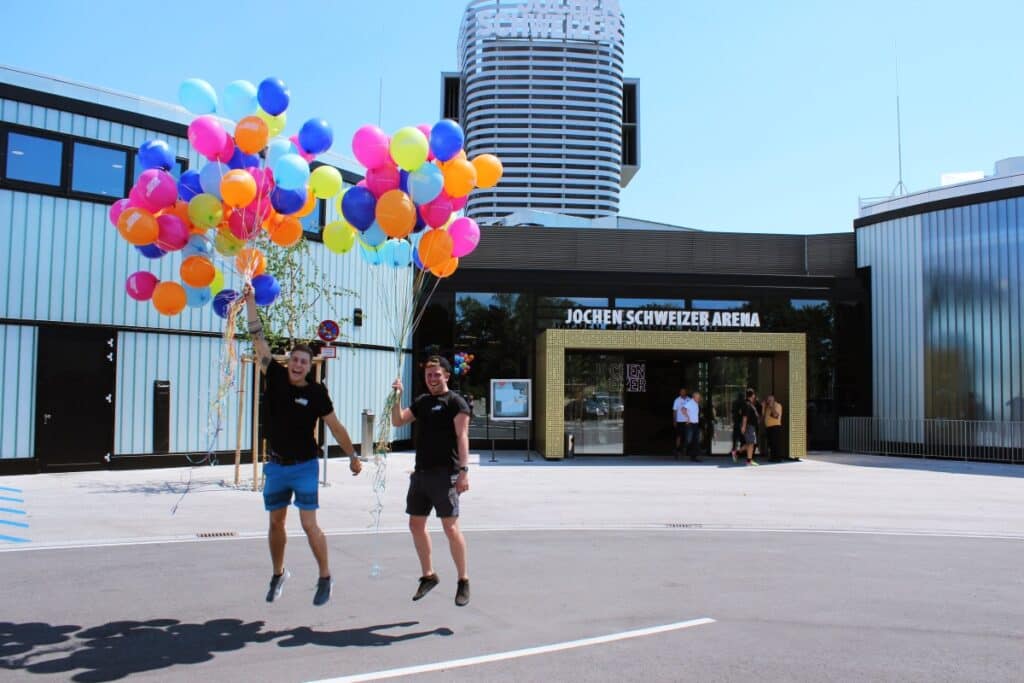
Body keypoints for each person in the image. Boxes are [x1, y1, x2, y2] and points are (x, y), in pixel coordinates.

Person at [245, 290, 362, 607]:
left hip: (305, 465)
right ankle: (278, 573)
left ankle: (325, 576)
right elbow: (257, 337)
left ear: (311, 367)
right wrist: (251, 302)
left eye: (304, 362)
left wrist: (352, 456)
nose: (298, 365)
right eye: (294, 360)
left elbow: (335, 427)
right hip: (276, 465)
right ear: (289, 362)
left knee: (309, 524)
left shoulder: (316, 393)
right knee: (275, 523)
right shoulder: (275, 375)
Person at [390, 356, 472, 607]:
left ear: (447, 375)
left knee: (450, 528)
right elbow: (398, 420)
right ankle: (429, 575)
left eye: (437, 374)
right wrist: (396, 396)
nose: (433, 379)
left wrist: (464, 471)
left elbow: (462, 436)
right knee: (416, 524)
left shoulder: (456, 402)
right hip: (421, 473)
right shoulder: (423, 402)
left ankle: (463, 580)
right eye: (429, 375)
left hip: (445, 473)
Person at [737, 388, 760, 466]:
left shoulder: (749, 403)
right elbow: (745, 416)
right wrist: (743, 426)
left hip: (751, 426)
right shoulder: (747, 404)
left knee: (750, 443)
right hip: (749, 426)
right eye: (754, 394)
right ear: (752, 395)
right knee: (751, 443)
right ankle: (749, 461)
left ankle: (737, 453)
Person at [763, 394, 785, 461]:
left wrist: (771, 406)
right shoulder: (767, 407)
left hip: (775, 426)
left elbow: (776, 415)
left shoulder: (777, 405)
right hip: (769, 427)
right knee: (770, 443)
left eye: (770, 400)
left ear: (773, 400)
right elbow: (763, 415)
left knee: (775, 443)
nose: (769, 401)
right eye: (768, 400)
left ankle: (777, 458)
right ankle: (772, 457)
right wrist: (763, 407)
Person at [671, 387, 690, 459]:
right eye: (681, 391)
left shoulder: (689, 400)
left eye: (684, 391)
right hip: (679, 421)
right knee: (678, 436)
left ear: (686, 392)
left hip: (687, 421)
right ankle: (677, 450)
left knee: (687, 437)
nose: (682, 393)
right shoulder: (677, 400)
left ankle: (684, 450)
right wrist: (674, 421)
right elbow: (674, 411)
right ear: (680, 392)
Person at [686, 391, 703, 462]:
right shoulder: (690, 403)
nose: (699, 398)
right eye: (698, 397)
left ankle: (693, 455)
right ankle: (693, 456)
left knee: (695, 440)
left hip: (695, 424)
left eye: (699, 397)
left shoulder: (696, 403)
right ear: (694, 397)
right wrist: (688, 418)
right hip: (691, 424)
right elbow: (683, 409)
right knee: (694, 440)